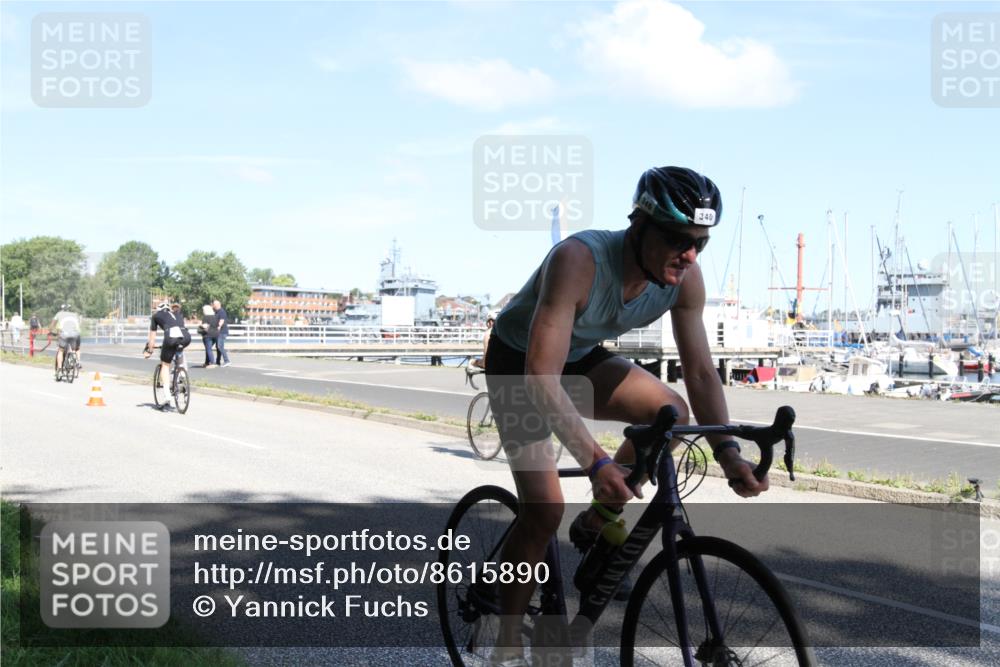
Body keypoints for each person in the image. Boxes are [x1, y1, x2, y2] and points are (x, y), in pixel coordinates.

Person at [484, 166, 768, 665]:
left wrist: (728, 454)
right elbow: (541, 377)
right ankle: (504, 642)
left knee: (671, 413)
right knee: (544, 509)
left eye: (700, 243)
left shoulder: (685, 279)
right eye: (677, 239)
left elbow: (700, 372)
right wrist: (596, 462)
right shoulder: (579, 260)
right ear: (638, 226)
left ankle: (600, 519)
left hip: (579, 356)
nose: (689, 254)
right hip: (520, 363)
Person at [144, 300, 190, 389]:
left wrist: (150, 350)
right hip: (186, 337)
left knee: (165, 364)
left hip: (171, 337)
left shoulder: (156, 316)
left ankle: (167, 393)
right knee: (179, 350)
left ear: (158, 310)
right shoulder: (178, 315)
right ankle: (182, 372)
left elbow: (152, 338)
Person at [50, 304, 82, 374]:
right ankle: (77, 362)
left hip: (64, 334)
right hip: (76, 334)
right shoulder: (74, 314)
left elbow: (53, 324)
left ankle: (59, 368)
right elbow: (78, 325)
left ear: (62, 309)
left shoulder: (59, 314)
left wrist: (50, 331)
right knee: (77, 349)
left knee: (61, 350)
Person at [212, 299, 231, 367]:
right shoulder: (216, 312)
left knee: (220, 346)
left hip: (222, 332)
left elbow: (222, 320)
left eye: (214, 305)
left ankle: (227, 361)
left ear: (217, 305)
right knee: (218, 347)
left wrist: (219, 327)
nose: (213, 306)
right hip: (218, 332)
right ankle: (218, 361)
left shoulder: (221, 311)